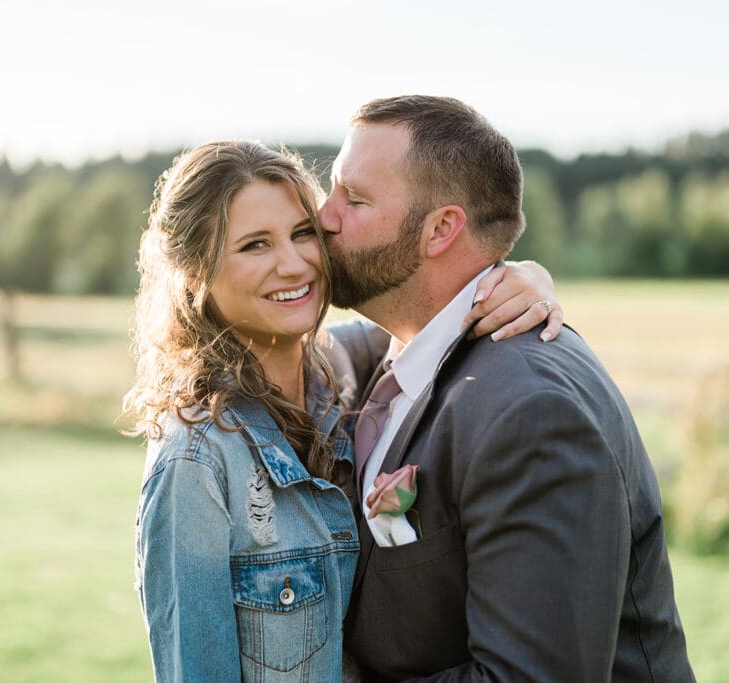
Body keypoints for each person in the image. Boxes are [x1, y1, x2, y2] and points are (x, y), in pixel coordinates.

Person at [126, 140, 565, 681]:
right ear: (195, 272)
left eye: (302, 233)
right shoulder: (196, 463)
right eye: (254, 245)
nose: (293, 264)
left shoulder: (341, 376)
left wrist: (520, 277)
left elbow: (429, 320)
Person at [320, 96, 695, 681]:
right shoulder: (408, 347)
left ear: (441, 229)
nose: (324, 216)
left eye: (354, 198)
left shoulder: (533, 414)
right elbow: (304, 355)